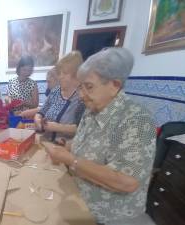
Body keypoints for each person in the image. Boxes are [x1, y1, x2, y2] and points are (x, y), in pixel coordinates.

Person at [43, 48, 156, 225]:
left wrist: (72, 160)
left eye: (88, 87)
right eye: (81, 87)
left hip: (109, 216)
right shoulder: (92, 108)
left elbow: (127, 182)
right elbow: (91, 143)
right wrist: (68, 145)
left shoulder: (136, 120)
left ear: (115, 85)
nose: (81, 95)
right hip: (79, 200)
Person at [34, 51, 85, 141]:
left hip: (65, 148)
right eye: (59, 73)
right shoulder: (55, 91)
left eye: (64, 73)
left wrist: (57, 127)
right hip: (46, 143)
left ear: (76, 75)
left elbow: (82, 128)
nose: (60, 77)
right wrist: (37, 119)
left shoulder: (82, 98)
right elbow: (41, 111)